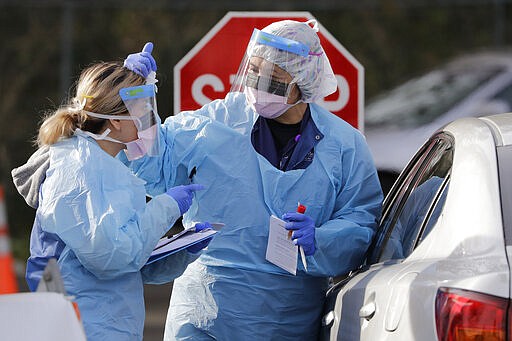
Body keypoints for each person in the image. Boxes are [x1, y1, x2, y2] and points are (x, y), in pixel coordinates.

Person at [124, 19, 383, 340]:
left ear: (303, 83)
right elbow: (153, 166)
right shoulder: (217, 122)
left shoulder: (344, 144)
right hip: (205, 310)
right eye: (253, 70)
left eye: (273, 80)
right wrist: (138, 102)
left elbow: (362, 220)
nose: (258, 85)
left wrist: (323, 239)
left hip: (286, 316)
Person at [11, 60, 212, 340]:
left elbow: (129, 263)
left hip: (98, 321)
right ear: (116, 120)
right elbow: (110, 258)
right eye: (142, 109)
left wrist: (181, 252)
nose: (149, 119)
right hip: (80, 326)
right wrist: (166, 206)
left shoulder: (103, 163)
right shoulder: (79, 170)